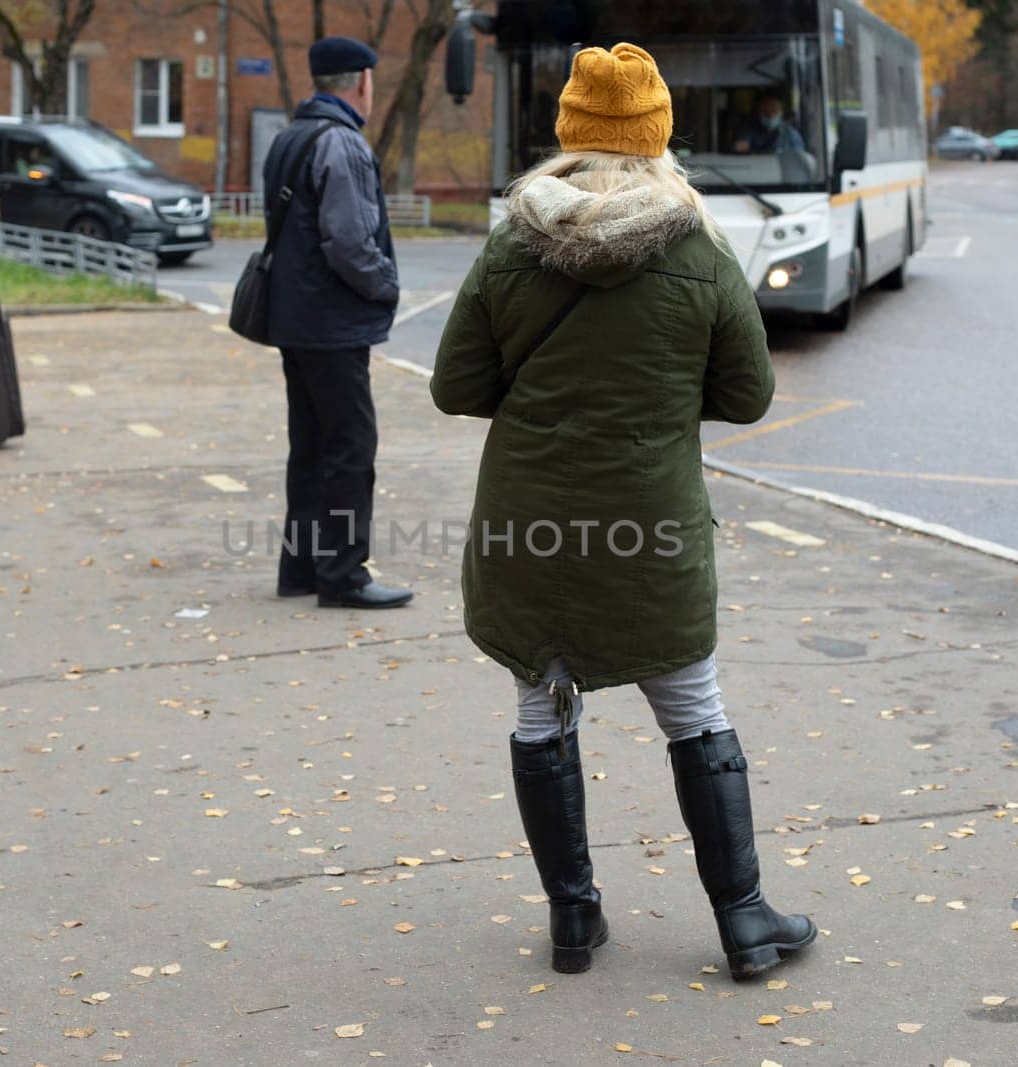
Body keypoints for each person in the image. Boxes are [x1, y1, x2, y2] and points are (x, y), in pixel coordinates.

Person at [431, 43, 816, 978]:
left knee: (540, 707)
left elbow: (455, 386)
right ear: (656, 138)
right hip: (653, 523)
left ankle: (573, 920)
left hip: (530, 524)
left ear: (567, 135)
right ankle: (745, 920)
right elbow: (749, 394)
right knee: (693, 709)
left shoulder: (512, 241)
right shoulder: (698, 245)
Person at [261, 37, 411, 610]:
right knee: (351, 446)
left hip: (295, 318)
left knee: (311, 446)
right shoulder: (343, 143)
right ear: (362, 83)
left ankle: (299, 568)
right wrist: (388, 286)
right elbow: (349, 242)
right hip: (332, 321)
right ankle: (345, 575)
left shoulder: (290, 136)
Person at [733, 92, 807, 155]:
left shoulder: (791, 134)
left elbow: (798, 158)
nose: (770, 115)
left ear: (781, 112)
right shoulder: (749, 128)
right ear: (758, 112)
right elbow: (741, 147)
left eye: (774, 111)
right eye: (765, 111)